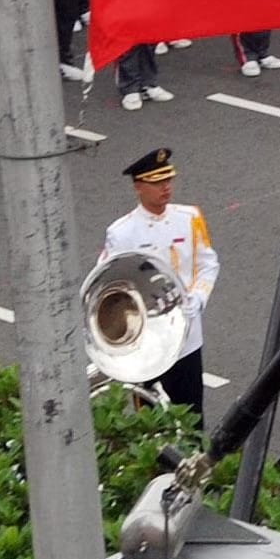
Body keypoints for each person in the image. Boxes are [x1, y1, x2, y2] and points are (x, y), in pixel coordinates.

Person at [98, 145, 216, 410]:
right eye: (157, 182)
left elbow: (208, 264)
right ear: (138, 187)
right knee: (150, 420)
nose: (166, 187)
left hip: (186, 336)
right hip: (147, 340)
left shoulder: (190, 218)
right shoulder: (122, 232)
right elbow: (108, 284)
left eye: (167, 180)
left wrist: (198, 297)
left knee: (191, 414)